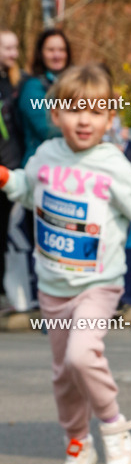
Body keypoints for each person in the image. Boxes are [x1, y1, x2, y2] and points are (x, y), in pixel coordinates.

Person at [0, 65, 131, 464]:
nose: (83, 119)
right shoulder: (46, 155)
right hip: (51, 288)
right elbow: (29, 190)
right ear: (55, 115)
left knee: (81, 354)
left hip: (98, 285)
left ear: (109, 118)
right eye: (73, 109)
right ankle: (77, 445)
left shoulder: (113, 166)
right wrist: (7, 179)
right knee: (63, 375)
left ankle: (114, 426)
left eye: (95, 111)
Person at [18, 28, 71, 164]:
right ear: (41, 53)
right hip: (39, 164)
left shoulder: (72, 83)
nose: (57, 55)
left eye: (61, 50)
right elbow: (46, 129)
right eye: (51, 50)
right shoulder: (32, 87)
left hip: (67, 162)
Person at [0, 30, 25, 303]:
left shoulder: (18, 84)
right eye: (7, 48)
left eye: (15, 48)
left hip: (11, 168)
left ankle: (8, 291)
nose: (13, 54)